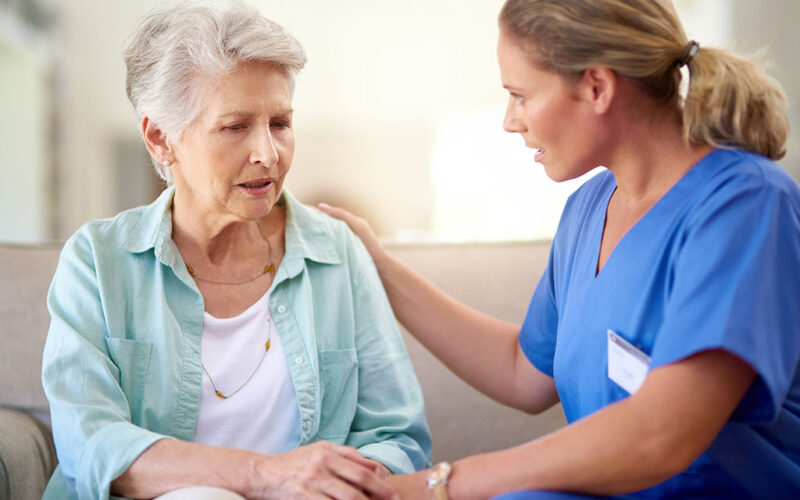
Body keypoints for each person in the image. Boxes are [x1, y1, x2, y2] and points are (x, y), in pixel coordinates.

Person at [320, 0, 800, 498]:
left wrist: (436, 485)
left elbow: (662, 434)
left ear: (597, 87)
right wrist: (376, 265)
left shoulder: (744, 205)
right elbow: (523, 371)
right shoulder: (589, 208)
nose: (511, 120)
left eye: (520, 95)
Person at [41, 1, 431, 499]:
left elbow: (397, 437)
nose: (268, 153)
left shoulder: (337, 253)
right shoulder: (97, 261)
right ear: (160, 138)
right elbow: (91, 445)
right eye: (235, 126)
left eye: (281, 123)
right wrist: (267, 476)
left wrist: (326, 488)